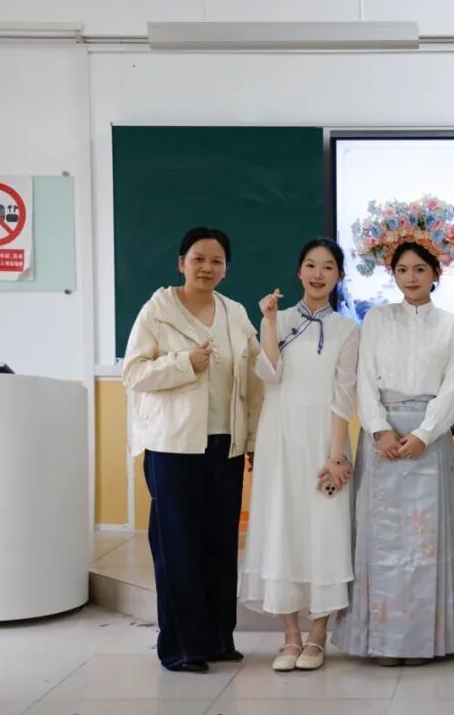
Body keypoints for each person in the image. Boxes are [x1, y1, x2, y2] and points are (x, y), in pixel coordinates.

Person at [122, 227, 263, 673]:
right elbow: (133, 373)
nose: (207, 267)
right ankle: (182, 648)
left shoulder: (235, 312)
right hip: (174, 447)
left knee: (220, 545)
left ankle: (218, 640)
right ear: (181, 263)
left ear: (226, 268)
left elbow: (256, 376)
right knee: (178, 547)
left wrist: (253, 440)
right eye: (198, 259)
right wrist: (184, 363)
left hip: (225, 445)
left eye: (216, 261)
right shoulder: (158, 310)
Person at [332, 239, 454, 665]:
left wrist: (425, 434)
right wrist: (379, 430)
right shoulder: (376, 319)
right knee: (383, 543)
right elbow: (364, 380)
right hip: (383, 440)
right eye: (402, 270)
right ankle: (382, 641)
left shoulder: (453, 326)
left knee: (426, 545)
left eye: (419, 269)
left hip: (429, 441)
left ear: (435, 274)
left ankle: (422, 642)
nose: (411, 278)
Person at [239, 238, 360, 672]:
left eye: (328, 267)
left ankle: (318, 635)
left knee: (325, 530)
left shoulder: (348, 329)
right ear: (298, 272)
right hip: (280, 436)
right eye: (310, 265)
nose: (318, 274)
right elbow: (269, 375)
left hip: (324, 439)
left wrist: (336, 456)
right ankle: (290, 636)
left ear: (339, 276)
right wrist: (270, 322)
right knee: (283, 527)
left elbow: (343, 395)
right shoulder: (279, 318)